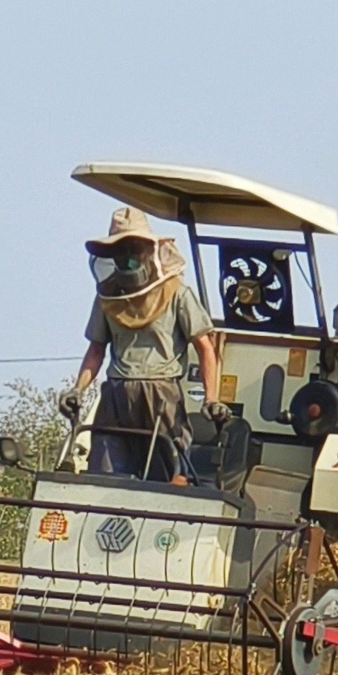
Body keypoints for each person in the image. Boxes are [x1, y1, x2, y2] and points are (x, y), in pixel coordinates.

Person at [61, 206, 222, 481]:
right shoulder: (108, 300)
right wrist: (77, 388)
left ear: (149, 250)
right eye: (120, 251)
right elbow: (96, 349)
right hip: (116, 395)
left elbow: (205, 347)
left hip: (160, 394)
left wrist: (212, 398)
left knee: (170, 475)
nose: (127, 258)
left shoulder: (177, 294)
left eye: (132, 249)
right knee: (105, 474)